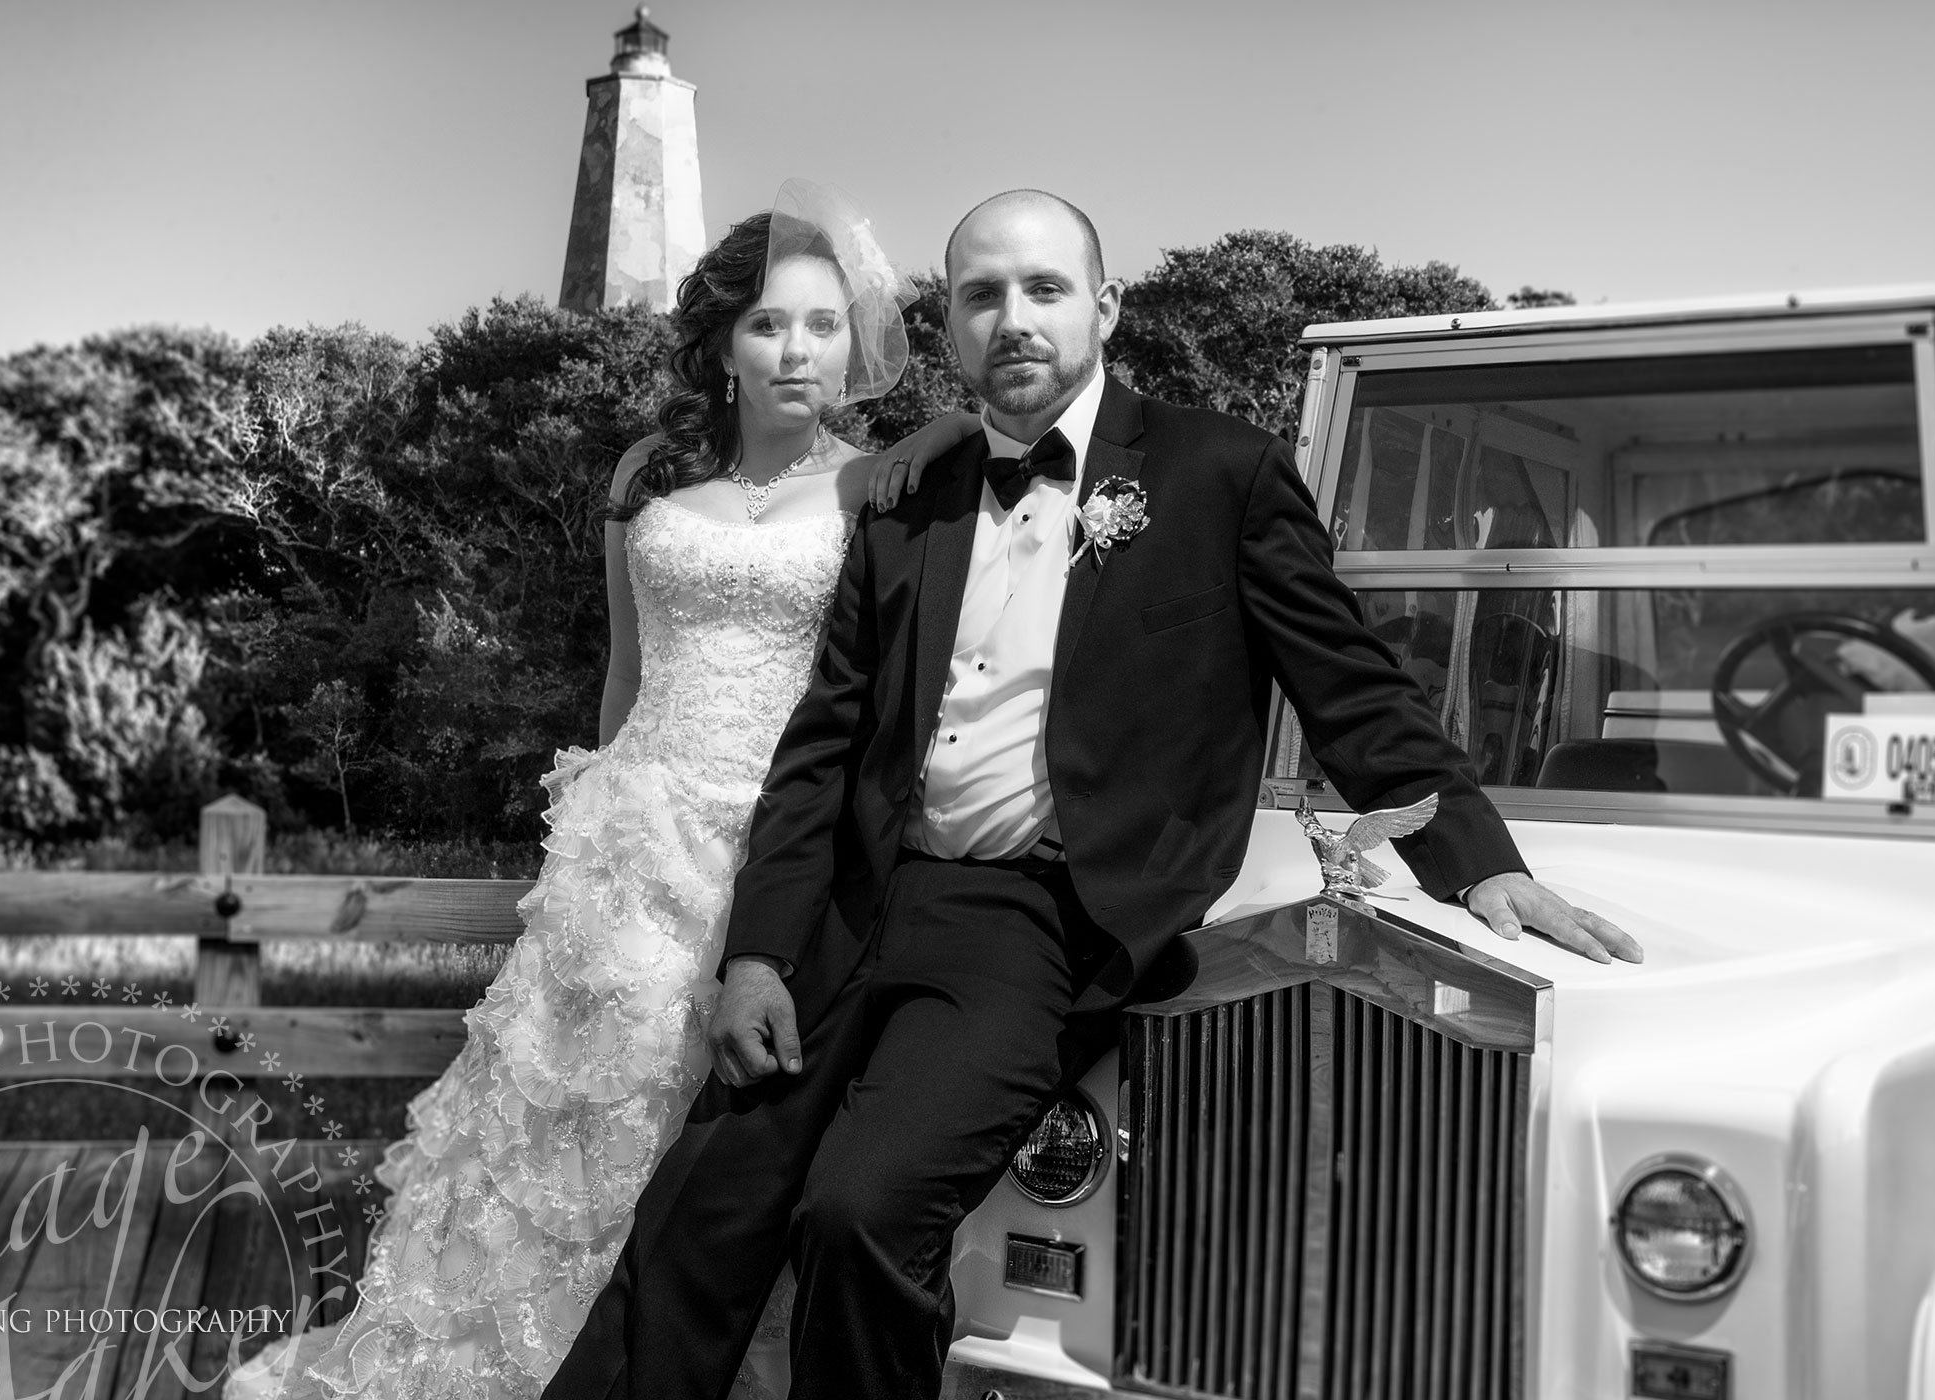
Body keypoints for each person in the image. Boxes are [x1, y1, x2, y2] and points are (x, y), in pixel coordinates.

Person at [544, 189, 1644, 1400]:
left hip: (1039, 922)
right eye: (981, 296)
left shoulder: (1219, 472)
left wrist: (1479, 859)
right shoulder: (909, 499)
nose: (1012, 319)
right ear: (950, 328)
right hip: (853, 907)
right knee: (703, 1207)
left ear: (1105, 306)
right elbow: (823, 744)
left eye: (1045, 289)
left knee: (859, 1212)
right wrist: (757, 949)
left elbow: (1354, 688)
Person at [225, 181, 970, 1400]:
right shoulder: (647, 472)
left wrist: (941, 436)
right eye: (771, 324)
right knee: (570, 1125)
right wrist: (588, 835)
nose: (800, 350)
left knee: (729, 1138)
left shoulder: (882, 483)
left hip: (785, 842)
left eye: (826, 325)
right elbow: (624, 679)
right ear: (723, 342)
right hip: (638, 837)